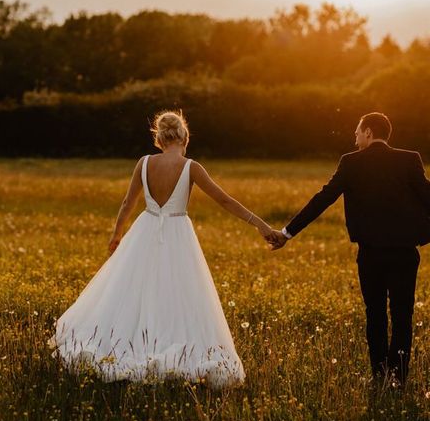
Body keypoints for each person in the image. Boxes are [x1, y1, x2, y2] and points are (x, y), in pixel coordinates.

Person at [49, 110, 274, 388]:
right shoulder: (191, 167)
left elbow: (126, 203)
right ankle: (172, 346)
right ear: (184, 137)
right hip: (178, 236)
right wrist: (260, 224)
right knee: (179, 293)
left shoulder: (144, 163)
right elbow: (224, 200)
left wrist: (117, 236)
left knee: (134, 291)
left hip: (144, 231)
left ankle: (130, 343)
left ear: (159, 138)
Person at [268, 112, 430, 387]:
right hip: (405, 252)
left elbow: (323, 199)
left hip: (370, 253)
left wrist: (287, 232)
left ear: (368, 132)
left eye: (357, 132)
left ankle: (379, 375)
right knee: (403, 315)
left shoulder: (351, 163)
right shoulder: (409, 159)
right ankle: (398, 379)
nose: (354, 138)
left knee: (374, 312)